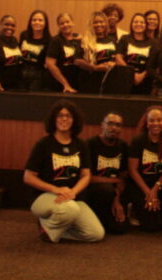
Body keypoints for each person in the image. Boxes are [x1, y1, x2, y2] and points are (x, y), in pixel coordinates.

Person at [23, 100, 104, 243]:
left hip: (71, 198)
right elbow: (28, 177)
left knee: (96, 234)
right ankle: (49, 226)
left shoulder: (81, 144)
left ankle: (50, 228)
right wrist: (56, 189)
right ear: (54, 119)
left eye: (68, 116)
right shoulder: (43, 144)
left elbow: (86, 175)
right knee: (70, 209)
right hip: (44, 196)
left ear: (74, 120)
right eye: (60, 116)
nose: (64, 119)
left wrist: (73, 192)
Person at [126, 105, 162, 232]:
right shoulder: (138, 140)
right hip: (140, 185)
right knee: (151, 227)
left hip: (159, 185)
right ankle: (133, 208)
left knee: (161, 223)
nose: (155, 123)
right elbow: (133, 171)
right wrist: (149, 193)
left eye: (159, 120)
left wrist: (155, 190)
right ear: (146, 122)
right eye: (152, 120)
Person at [84, 112, 129, 234]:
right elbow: (87, 178)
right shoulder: (89, 145)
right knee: (106, 189)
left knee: (120, 229)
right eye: (110, 124)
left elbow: (123, 177)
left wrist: (117, 200)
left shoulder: (123, 146)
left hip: (114, 192)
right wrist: (114, 180)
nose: (114, 128)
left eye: (118, 125)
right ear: (102, 125)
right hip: (95, 192)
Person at [78, 11, 118, 94]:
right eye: (95, 22)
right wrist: (95, 68)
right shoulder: (84, 41)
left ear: (106, 23)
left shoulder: (113, 40)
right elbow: (77, 61)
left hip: (110, 80)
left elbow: (118, 57)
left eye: (101, 22)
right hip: (90, 81)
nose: (99, 25)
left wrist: (114, 63)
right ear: (91, 24)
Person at [115, 13, 153, 94]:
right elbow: (118, 58)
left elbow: (154, 63)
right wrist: (131, 74)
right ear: (131, 24)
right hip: (125, 79)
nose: (138, 24)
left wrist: (142, 75)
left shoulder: (153, 42)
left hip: (145, 81)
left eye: (142, 22)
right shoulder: (124, 39)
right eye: (135, 22)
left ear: (146, 25)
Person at [45, 13, 81, 93]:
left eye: (67, 22)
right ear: (58, 26)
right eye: (62, 23)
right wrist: (65, 84)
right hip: (60, 84)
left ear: (72, 23)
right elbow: (50, 64)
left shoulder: (79, 39)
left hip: (76, 82)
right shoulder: (55, 41)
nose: (65, 25)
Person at [20, 9, 51, 91]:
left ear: (45, 23)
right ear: (30, 22)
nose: (37, 22)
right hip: (21, 73)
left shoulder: (49, 40)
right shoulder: (24, 35)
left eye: (40, 20)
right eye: (34, 20)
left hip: (38, 76)